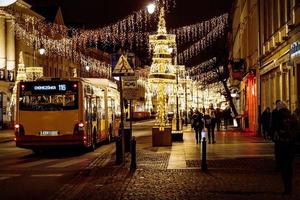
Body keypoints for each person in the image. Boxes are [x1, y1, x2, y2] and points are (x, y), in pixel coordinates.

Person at [276, 102, 296, 195]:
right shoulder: (292, 117)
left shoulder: (279, 117)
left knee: (284, 167)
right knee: (289, 166)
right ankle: (289, 187)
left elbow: (274, 129)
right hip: (291, 145)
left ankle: (287, 187)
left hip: (282, 144)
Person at [270, 100, 282, 170]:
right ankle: (278, 165)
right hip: (277, 134)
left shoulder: (284, 112)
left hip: (282, 134)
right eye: (278, 104)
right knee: (277, 150)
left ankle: (280, 165)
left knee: (280, 151)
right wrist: (272, 133)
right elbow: (272, 123)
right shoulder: (274, 112)